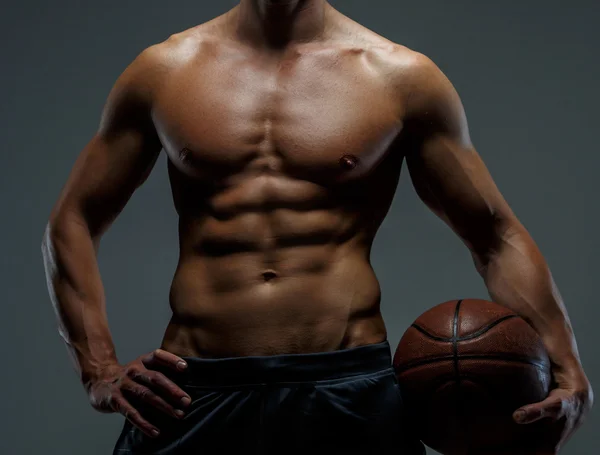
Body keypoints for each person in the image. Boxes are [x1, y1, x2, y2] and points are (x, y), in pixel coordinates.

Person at [41, 0, 592, 454]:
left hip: (348, 390)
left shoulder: (399, 76)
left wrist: (567, 368)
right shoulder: (163, 70)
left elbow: (494, 234)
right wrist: (99, 370)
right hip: (193, 390)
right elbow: (73, 217)